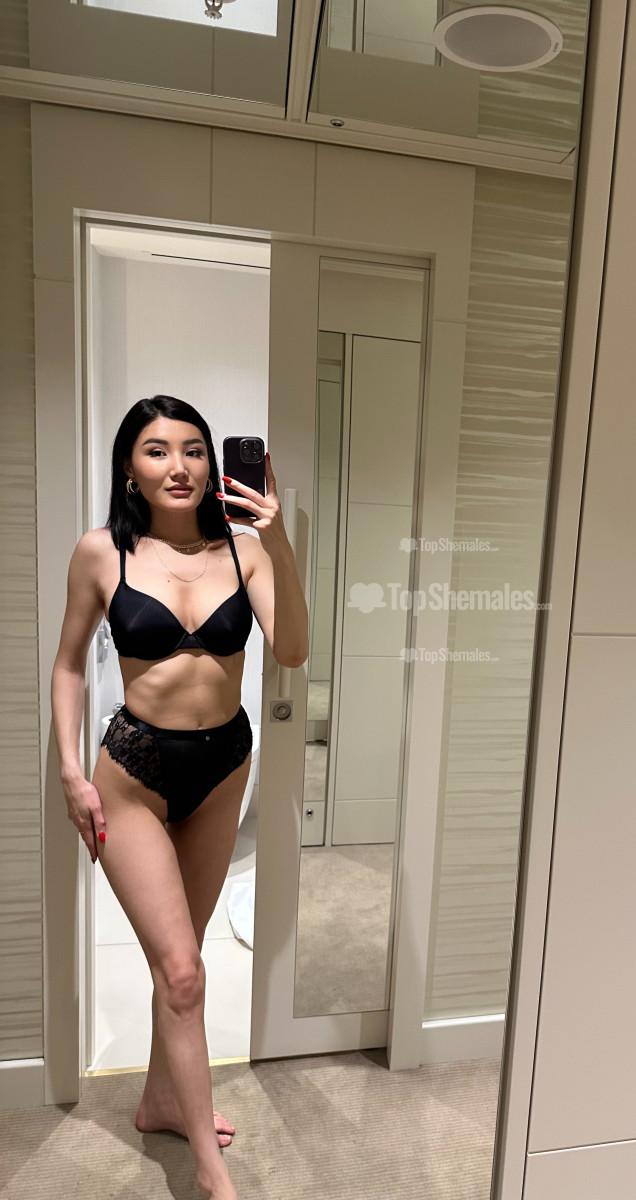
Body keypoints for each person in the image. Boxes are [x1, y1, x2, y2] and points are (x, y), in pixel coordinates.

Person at [51, 395, 308, 1200]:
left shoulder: (245, 552)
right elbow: (68, 664)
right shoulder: (102, 552)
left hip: (224, 766)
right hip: (132, 776)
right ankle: (209, 1171)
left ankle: (160, 1101)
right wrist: (69, 770)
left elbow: (293, 650)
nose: (180, 466)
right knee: (186, 973)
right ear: (130, 468)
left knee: (182, 961)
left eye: (195, 449)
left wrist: (278, 538)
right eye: (158, 450)